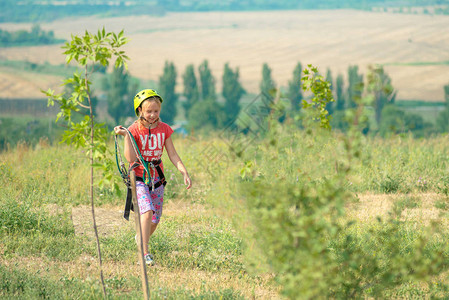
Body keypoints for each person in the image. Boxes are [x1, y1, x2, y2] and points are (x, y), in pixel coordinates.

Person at [114, 89, 192, 266]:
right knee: (147, 212)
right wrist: (126, 136)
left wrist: (184, 171)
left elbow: (172, 154)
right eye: (148, 111)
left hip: (157, 179)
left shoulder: (164, 129)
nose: (152, 115)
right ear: (140, 110)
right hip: (140, 178)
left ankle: (141, 238)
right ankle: (145, 252)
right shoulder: (134, 130)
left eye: (156, 111)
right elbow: (131, 158)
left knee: (155, 220)